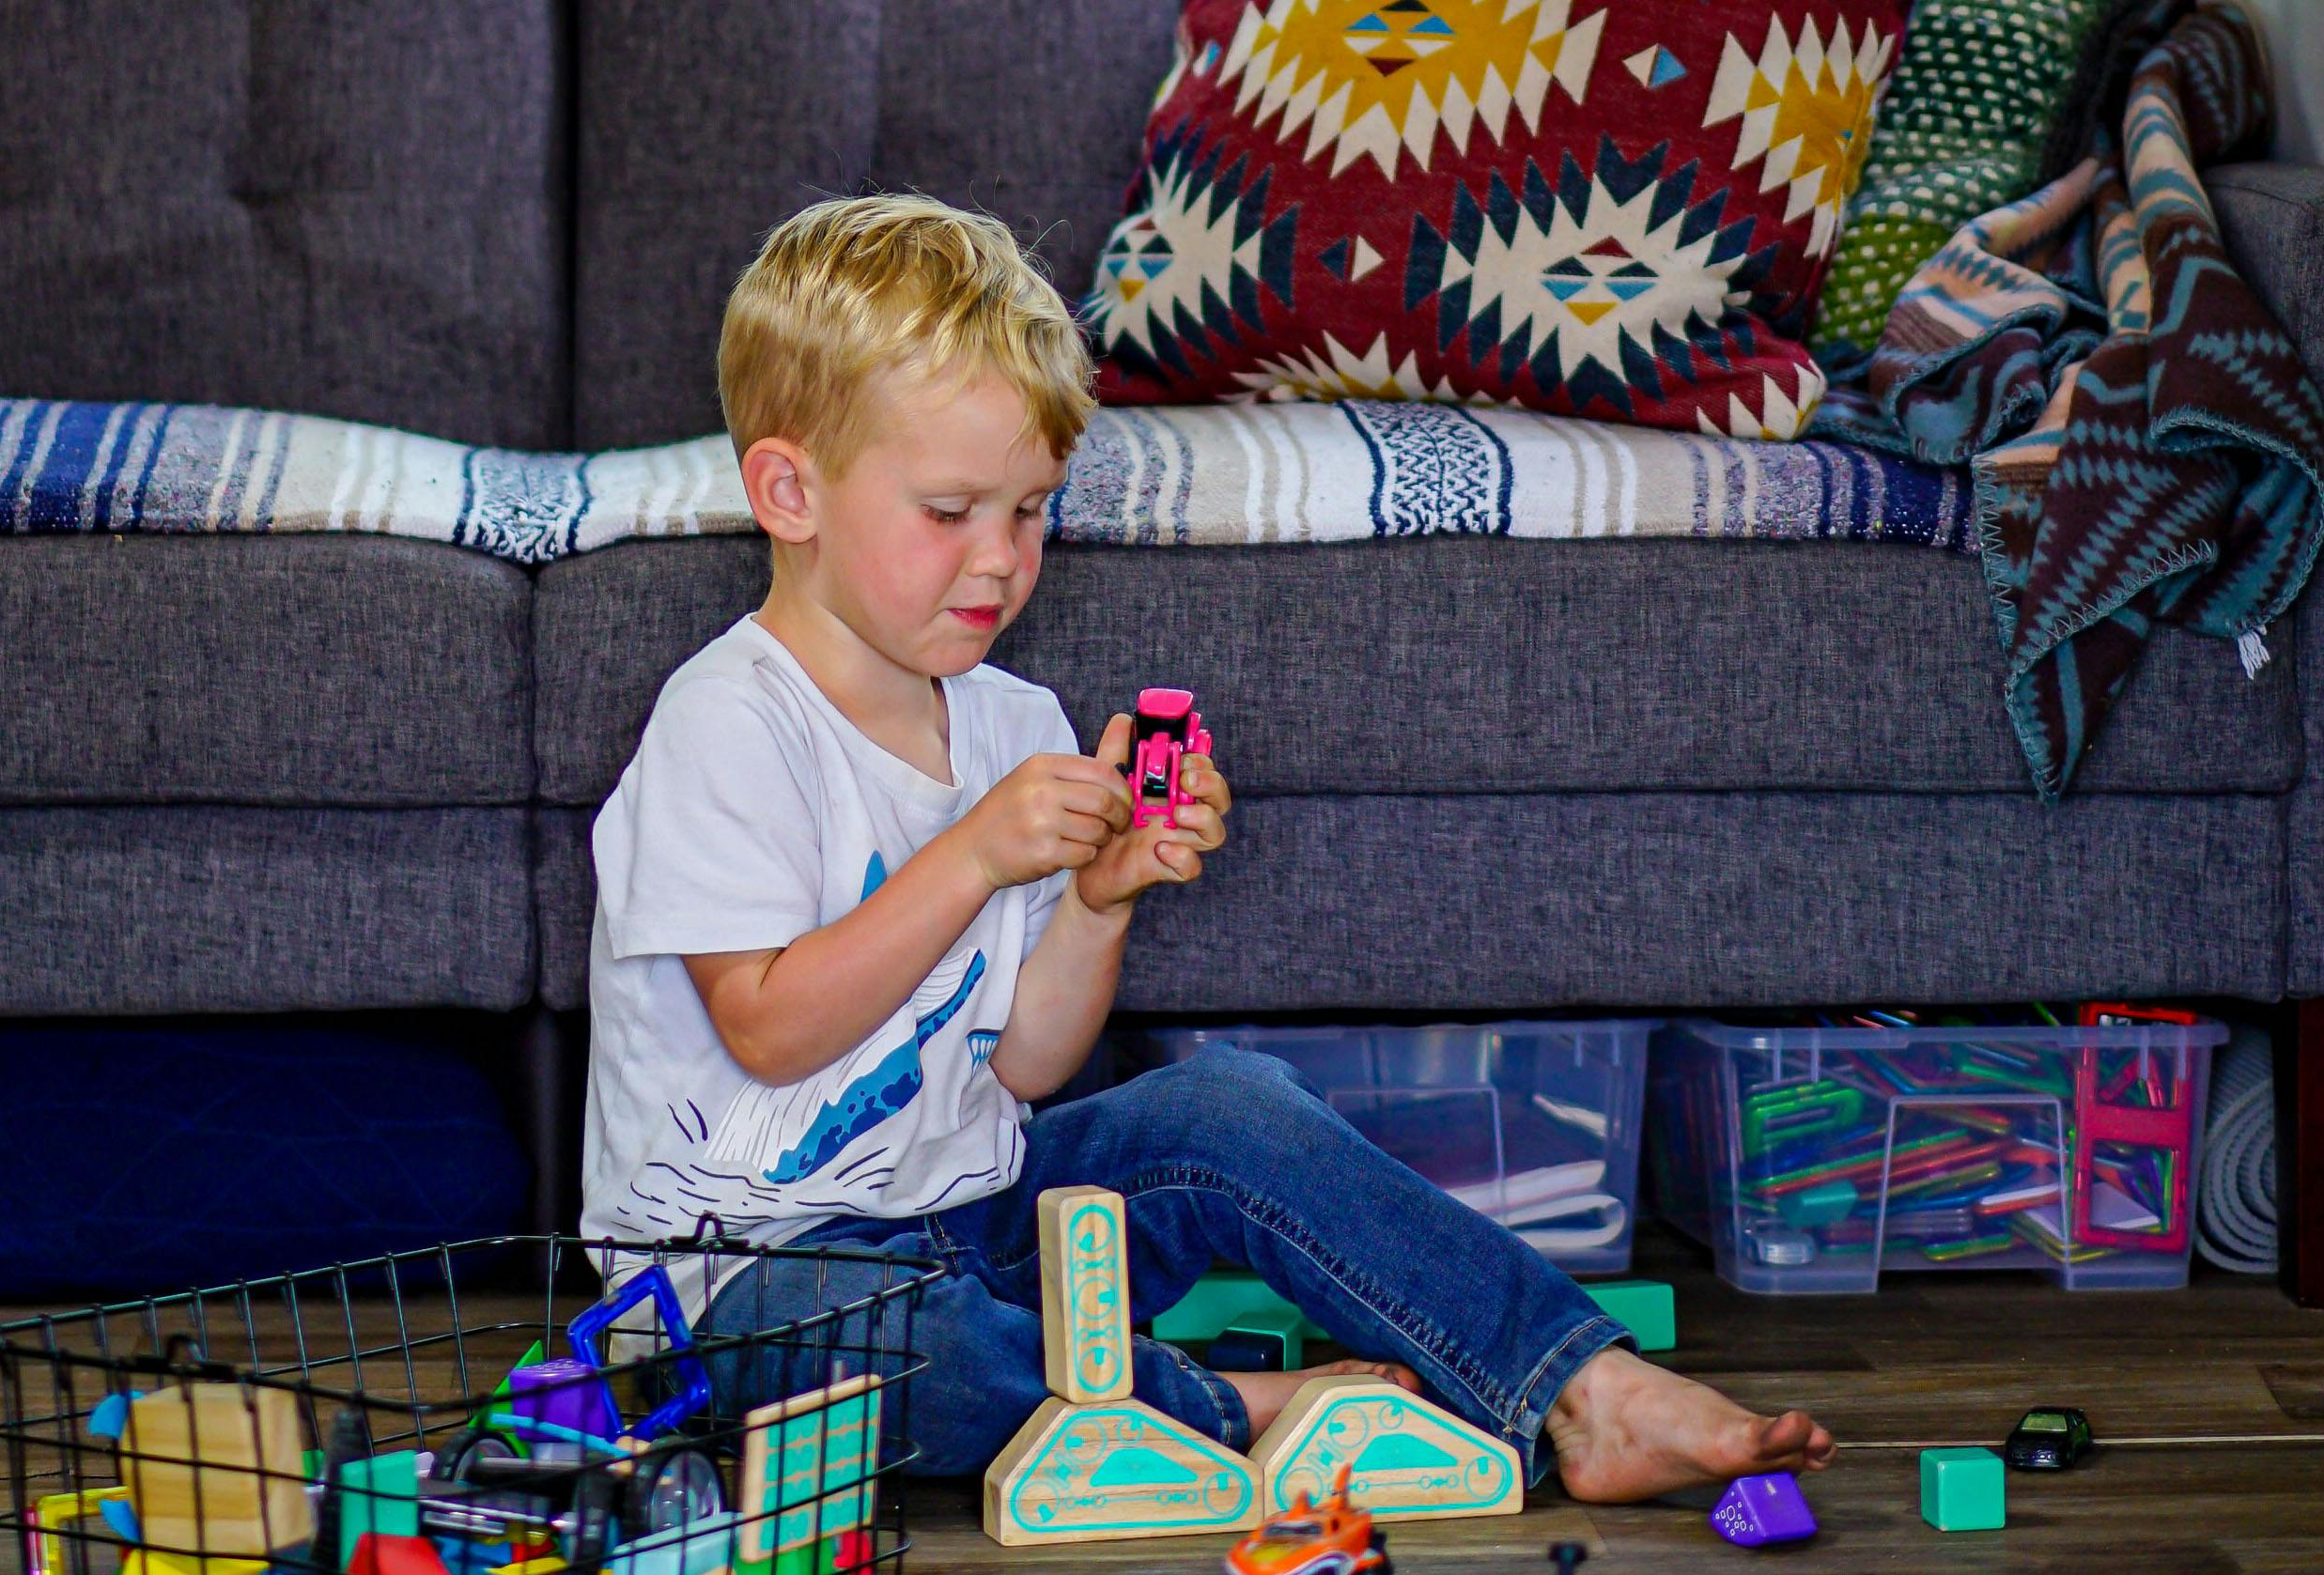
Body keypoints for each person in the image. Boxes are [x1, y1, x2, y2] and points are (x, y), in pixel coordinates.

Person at [579, 192, 1834, 1503]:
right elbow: (772, 1031)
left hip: (966, 1218)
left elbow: (1023, 1066)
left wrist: (1097, 905)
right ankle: (1221, 1405)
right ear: (790, 491)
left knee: (1224, 1109)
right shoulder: (728, 720)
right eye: (950, 511)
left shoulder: (1014, 724)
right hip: (741, 1285)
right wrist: (971, 861)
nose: (1001, 562)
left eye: (1030, 512)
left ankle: (1579, 1387)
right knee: (888, 1354)